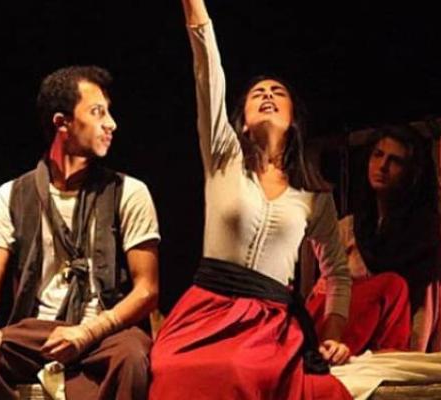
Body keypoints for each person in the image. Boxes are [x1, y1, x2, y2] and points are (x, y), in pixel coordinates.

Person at [148, 1, 353, 399]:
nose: (268, 95)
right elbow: (206, 66)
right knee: (172, 368)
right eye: (258, 93)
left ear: (294, 120)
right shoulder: (223, 156)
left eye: (278, 92)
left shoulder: (313, 195)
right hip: (206, 310)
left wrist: (332, 335)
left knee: (242, 369)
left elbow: (337, 273)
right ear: (241, 121)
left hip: (268, 325)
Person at [0, 66, 161, 400]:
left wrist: (88, 332)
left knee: (132, 359)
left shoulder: (129, 192)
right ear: (63, 123)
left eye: (109, 112)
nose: (111, 123)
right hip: (38, 333)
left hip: (108, 333)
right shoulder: (12, 195)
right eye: (97, 112)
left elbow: (147, 290)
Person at [307, 124, 441, 353]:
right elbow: (323, 292)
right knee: (389, 285)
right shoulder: (349, 228)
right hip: (336, 332)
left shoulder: (420, 236)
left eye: (395, 161)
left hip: (383, 341)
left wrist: (412, 355)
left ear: (410, 172)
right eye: (378, 155)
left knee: (394, 285)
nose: (382, 166)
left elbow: (423, 304)